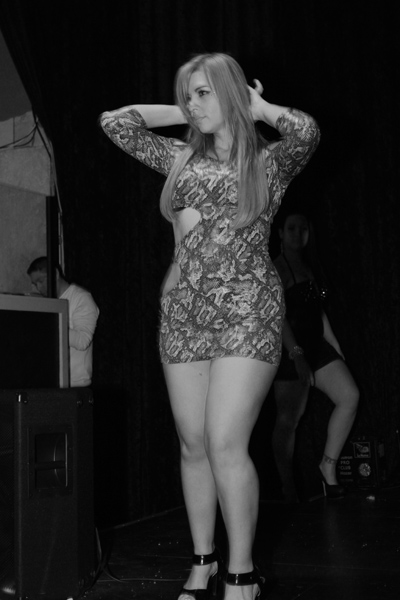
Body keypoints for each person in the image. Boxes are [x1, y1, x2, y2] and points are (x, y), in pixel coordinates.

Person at [100, 52, 320, 600]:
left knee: (224, 441)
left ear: (231, 91)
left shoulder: (269, 162)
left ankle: (241, 575)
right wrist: (186, 111)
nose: (193, 103)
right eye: (187, 94)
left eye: (203, 92)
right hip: (184, 315)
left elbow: (307, 132)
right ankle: (203, 562)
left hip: (248, 310)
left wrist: (257, 107)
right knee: (194, 444)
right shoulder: (179, 158)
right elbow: (115, 122)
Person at [271, 211, 359, 502]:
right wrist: (296, 354)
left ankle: (327, 467)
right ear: (280, 233)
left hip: (316, 346)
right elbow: (278, 317)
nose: (298, 234)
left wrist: (334, 345)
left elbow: (317, 312)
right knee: (289, 420)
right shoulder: (278, 268)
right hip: (290, 349)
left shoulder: (308, 264)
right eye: (292, 228)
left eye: (303, 228)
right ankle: (287, 488)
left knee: (349, 396)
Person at [27, 257, 99, 387]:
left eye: (40, 281)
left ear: (55, 273)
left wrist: (50, 326)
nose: (38, 287)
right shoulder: (48, 302)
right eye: (35, 284)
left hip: (75, 385)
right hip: (51, 382)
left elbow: (83, 341)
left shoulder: (81, 298)